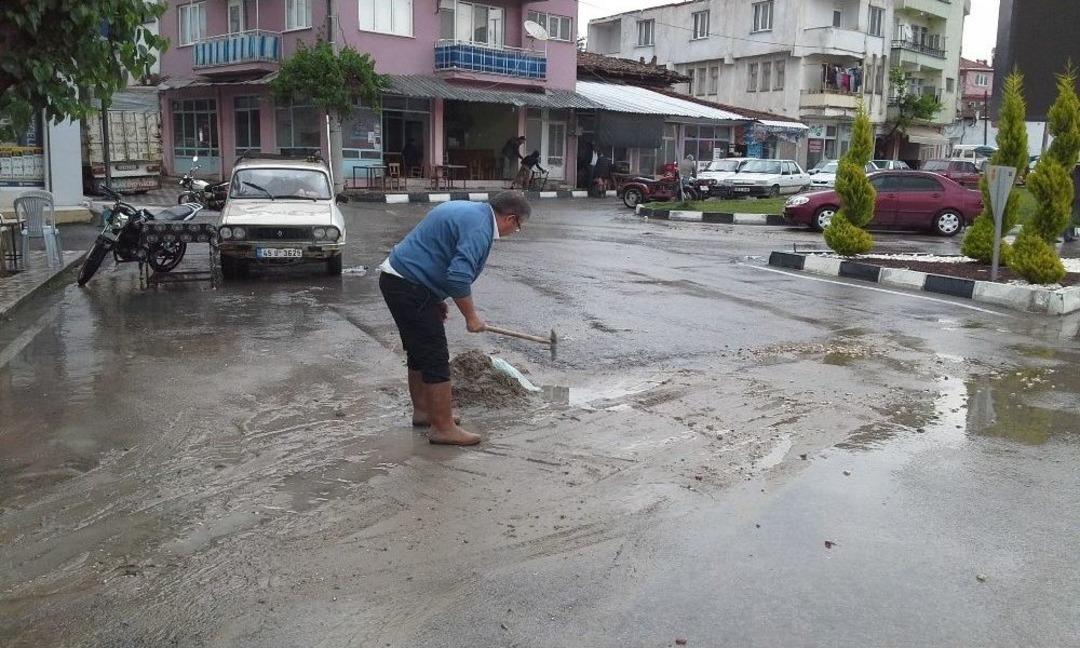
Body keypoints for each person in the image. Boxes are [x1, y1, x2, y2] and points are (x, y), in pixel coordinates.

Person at [378, 191, 532, 446]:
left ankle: (425, 412)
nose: (514, 231)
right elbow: (458, 276)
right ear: (511, 218)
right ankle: (442, 427)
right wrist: (471, 317)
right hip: (408, 285)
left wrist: (435, 298)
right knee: (436, 356)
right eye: (518, 227)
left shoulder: (470, 211)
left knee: (419, 352)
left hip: (403, 281)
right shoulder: (480, 228)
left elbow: (434, 252)